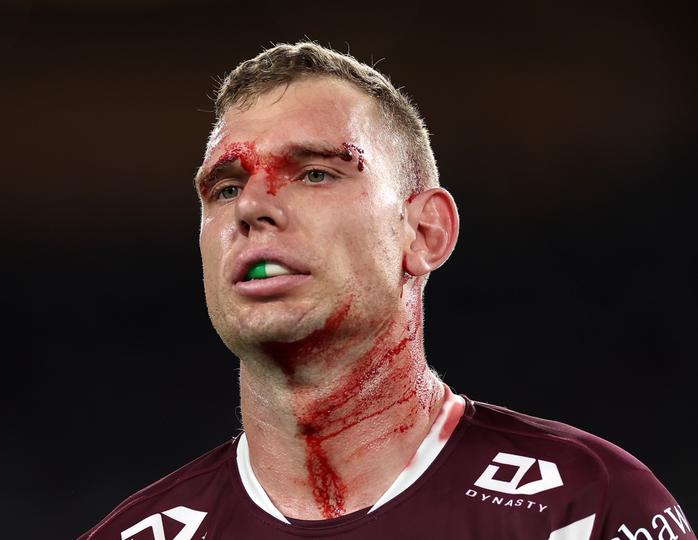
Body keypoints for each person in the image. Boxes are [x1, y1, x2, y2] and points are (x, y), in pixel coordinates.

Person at [78, 42, 692, 540]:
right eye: (226, 188)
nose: (254, 207)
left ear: (425, 231)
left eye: (316, 173)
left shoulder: (587, 509)